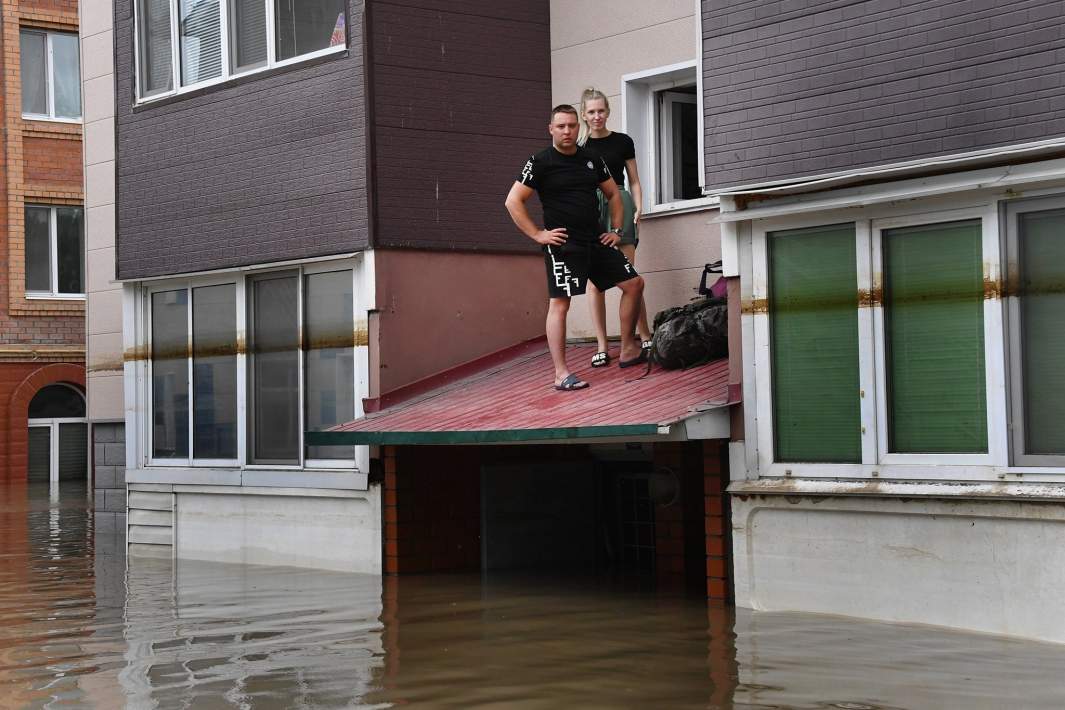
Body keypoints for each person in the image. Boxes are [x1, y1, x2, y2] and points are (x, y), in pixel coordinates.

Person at [504, 105, 647, 391]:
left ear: (577, 127)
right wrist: (538, 234)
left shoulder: (592, 158)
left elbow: (614, 195)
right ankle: (561, 374)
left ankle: (629, 348)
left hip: (596, 239)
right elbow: (513, 201)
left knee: (634, 284)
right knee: (560, 304)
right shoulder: (540, 161)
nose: (567, 131)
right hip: (563, 245)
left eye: (571, 126)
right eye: (561, 126)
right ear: (551, 129)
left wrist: (616, 231)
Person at [578, 88, 652, 368]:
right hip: (594, 210)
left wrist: (640, 205)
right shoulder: (580, 149)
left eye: (601, 110)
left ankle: (643, 335)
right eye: (592, 111)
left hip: (621, 201)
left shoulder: (622, 141)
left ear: (608, 112)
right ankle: (601, 345)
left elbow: (634, 179)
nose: (597, 116)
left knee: (630, 276)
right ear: (584, 115)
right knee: (595, 281)